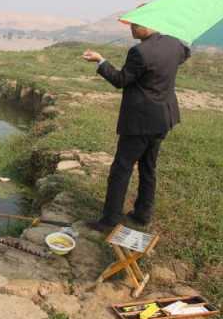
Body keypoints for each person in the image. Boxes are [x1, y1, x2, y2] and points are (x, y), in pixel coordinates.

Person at [81, 22, 190, 232]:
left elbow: (120, 80)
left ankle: (109, 221)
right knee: (148, 167)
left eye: (136, 25)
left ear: (149, 23)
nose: (131, 29)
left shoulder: (139, 52)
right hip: (163, 118)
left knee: (121, 169)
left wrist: (101, 61)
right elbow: (184, 55)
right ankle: (142, 214)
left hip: (140, 122)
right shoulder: (176, 45)